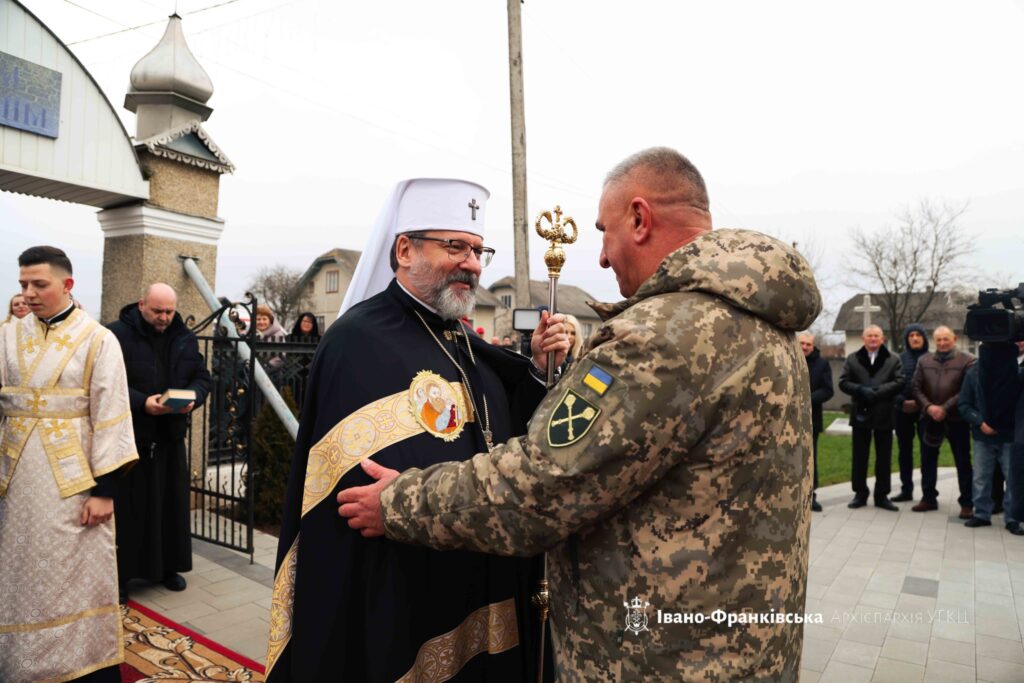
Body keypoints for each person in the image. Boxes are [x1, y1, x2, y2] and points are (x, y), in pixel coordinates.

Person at [338, 148, 822, 680]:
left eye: (604, 231)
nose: (601, 257)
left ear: (639, 219)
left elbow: (540, 485)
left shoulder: (662, 337)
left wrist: (399, 503)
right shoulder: (765, 323)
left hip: (658, 660)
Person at [264, 178, 569, 682]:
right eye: (455, 246)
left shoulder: (464, 340)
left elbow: (507, 432)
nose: (471, 263)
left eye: (477, 250)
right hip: (403, 590)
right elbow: (342, 496)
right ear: (404, 249)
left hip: (479, 574)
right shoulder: (355, 342)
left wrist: (537, 368)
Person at [0, 246, 138, 682]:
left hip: (72, 483)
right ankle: (18, 658)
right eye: (24, 284)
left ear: (67, 285)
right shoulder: (8, 334)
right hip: (15, 478)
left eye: (40, 284)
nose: (30, 293)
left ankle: (75, 662)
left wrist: (106, 491)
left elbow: (112, 413)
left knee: (69, 575)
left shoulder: (98, 339)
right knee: (17, 571)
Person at [107, 283, 212, 601]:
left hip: (170, 436)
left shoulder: (184, 337)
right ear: (142, 304)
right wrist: (143, 403)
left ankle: (169, 568)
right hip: (131, 438)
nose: (164, 317)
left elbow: (202, 377)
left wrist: (194, 397)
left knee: (169, 508)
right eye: (158, 311)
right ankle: (121, 577)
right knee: (131, 512)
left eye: (169, 311)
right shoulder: (114, 335)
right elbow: (108, 382)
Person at [911, 326, 975, 517]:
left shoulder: (968, 360)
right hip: (929, 418)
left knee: (963, 462)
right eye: (938, 340)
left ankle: (967, 503)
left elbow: (966, 389)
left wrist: (944, 408)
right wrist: (929, 407)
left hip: (957, 419)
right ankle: (928, 498)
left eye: (945, 339)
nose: (941, 343)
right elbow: (915, 387)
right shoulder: (924, 360)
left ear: (954, 338)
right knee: (927, 460)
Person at [839, 325, 903, 510]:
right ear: (863, 338)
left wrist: (877, 392)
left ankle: (882, 495)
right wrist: (860, 390)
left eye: (876, 336)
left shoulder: (893, 359)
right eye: (870, 336)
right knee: (860, 456)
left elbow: (900, 381)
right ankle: (860, 493)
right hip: (861, 413)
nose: (873, 339)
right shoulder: (852, 359)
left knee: (884, 456)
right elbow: (843, 382)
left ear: (882, 339)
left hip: (884, 413)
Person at [958, 363, 1019, 533]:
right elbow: (964, 403)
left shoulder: (1015, 370)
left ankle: (1013, 518)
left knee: (1013, 478)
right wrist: (979, 422)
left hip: (1010, 435)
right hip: (982, 436)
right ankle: (982, 515)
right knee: (980, 477)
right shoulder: (974, 372)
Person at [891, 324, 928, 502]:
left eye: (918, 335)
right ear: (907, 339)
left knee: (927, 451)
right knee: (904, 452)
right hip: (902, 411)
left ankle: (928, 493)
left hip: (924, 412)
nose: (914, 338)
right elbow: (892, 383)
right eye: (911, 335)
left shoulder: (931, 359)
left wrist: (921, 403)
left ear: (924, 338)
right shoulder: (899, 359)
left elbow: (935, 384)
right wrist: (901, 401)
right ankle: (906, 489)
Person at [799, 332, 833, 511]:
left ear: (813, 347)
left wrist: (806, 399)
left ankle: (812, 496)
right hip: (788, 420)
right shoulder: (790, 359)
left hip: (812, 420)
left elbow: (828, 390)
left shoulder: (822, 364)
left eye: (808, 344)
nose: (804, 347)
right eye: (802, 343)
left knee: (810, 459)